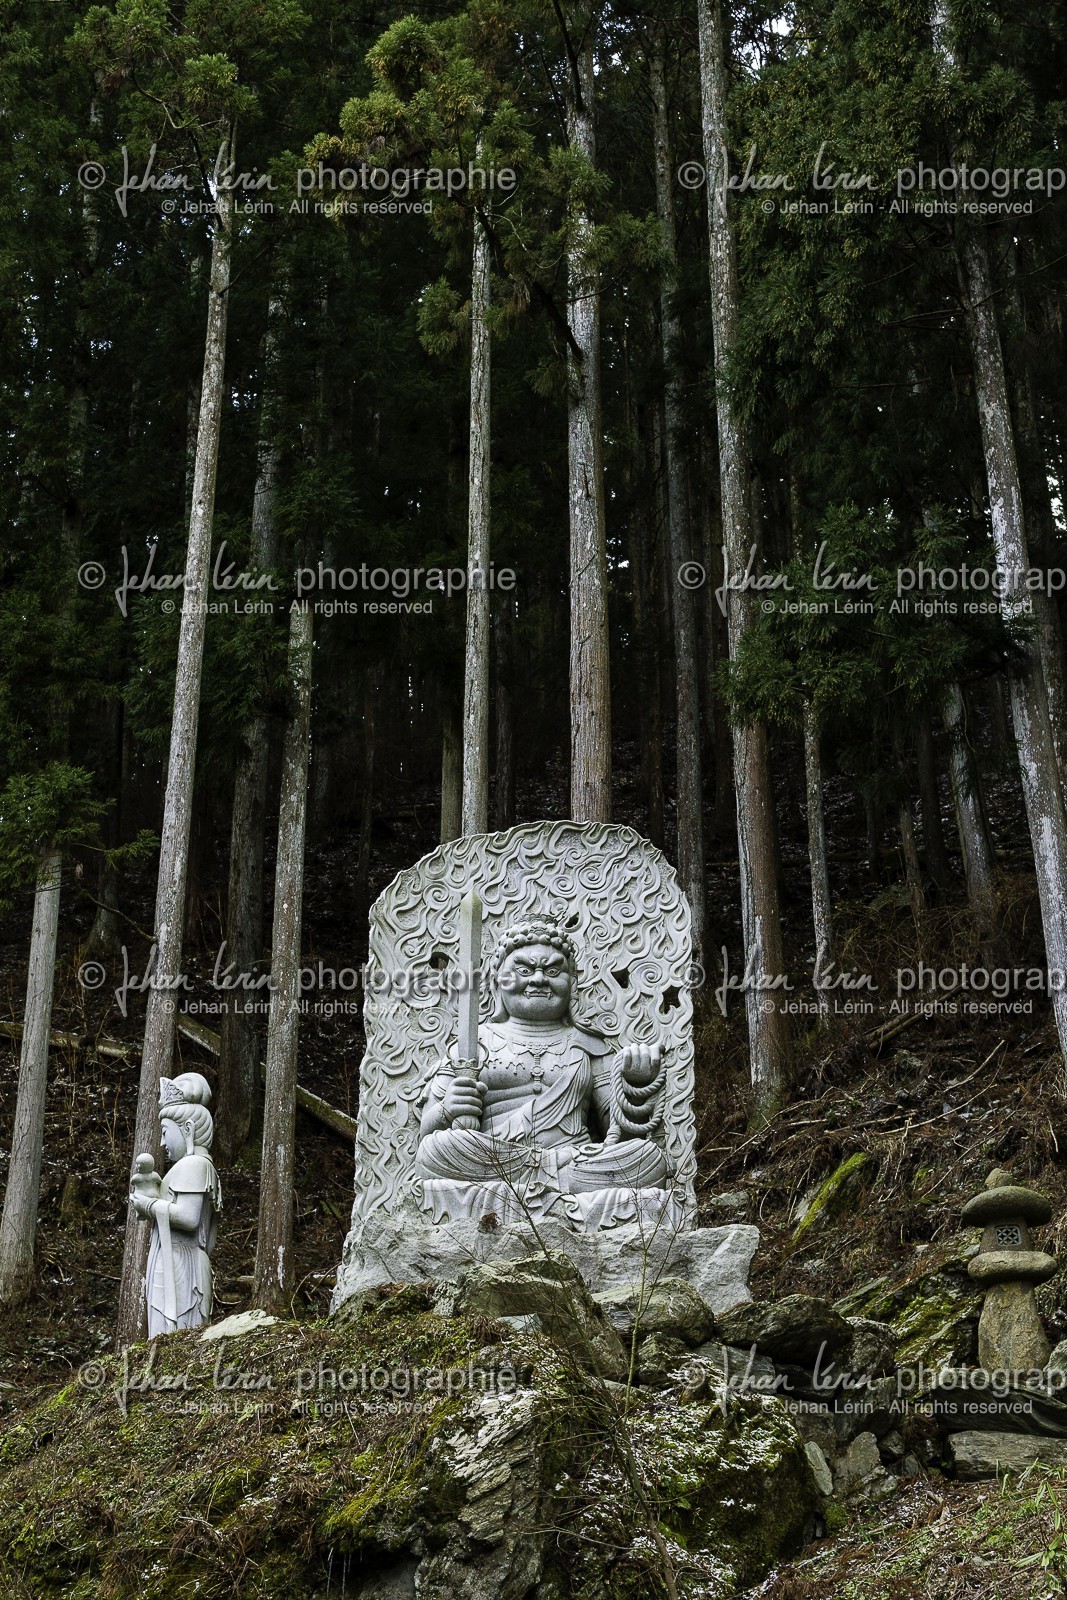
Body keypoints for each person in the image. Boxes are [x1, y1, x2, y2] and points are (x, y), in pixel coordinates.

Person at [130, 1072, 222, 1336]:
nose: (162, 1142)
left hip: (182, 1264)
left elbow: (190, 1218)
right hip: (179, 1260)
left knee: (173, 1337)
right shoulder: (195, 1167)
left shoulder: (194, 1165)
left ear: (189, 1130)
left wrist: (149, 1205)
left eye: (165, 1132)